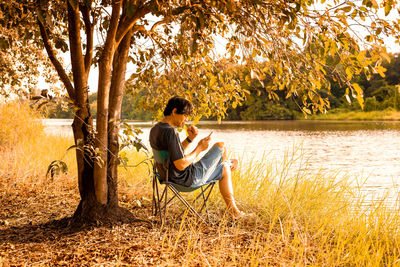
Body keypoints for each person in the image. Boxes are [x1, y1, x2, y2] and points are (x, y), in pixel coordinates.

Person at [149, 96, 245, 218]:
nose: (186, 120)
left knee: (224, 169)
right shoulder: (171, 132)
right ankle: (229, 163)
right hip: (186, 179)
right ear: (174, 112)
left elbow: (174, 155)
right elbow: (181, 164)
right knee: (221, 146)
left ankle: (235, 211)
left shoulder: (156, 129)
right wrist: (199, 148)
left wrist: (190, 139)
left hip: (167, 176)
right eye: (185, 115)